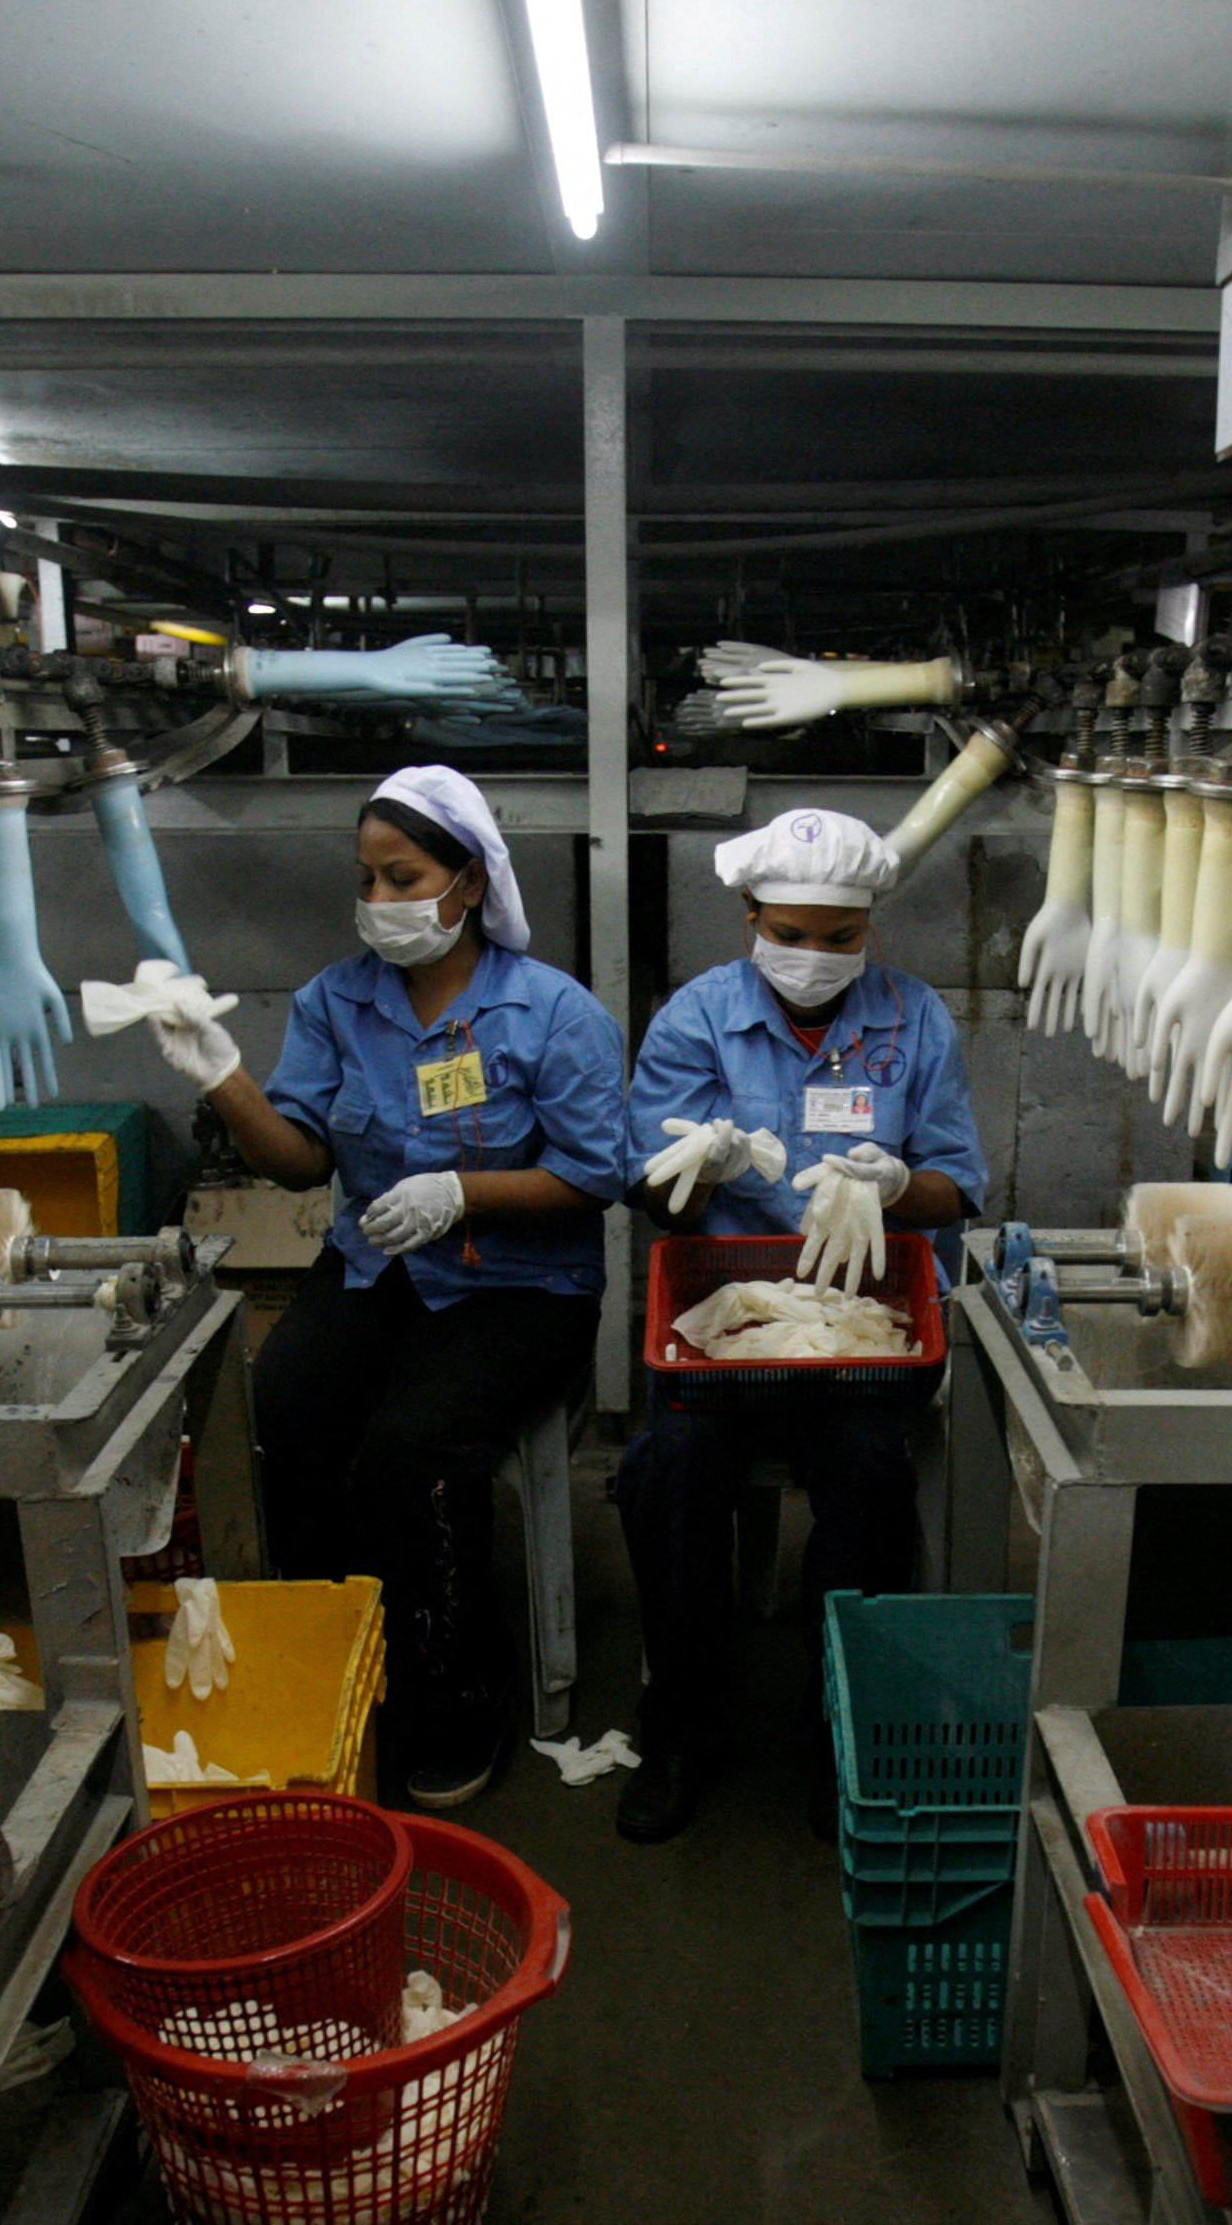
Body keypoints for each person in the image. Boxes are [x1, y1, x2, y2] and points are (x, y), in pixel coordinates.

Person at [119, 767, 627, 1806]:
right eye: (369, 879)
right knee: (284, 1416)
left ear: (468, 883)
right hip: (379, 1262)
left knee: (411, 1451)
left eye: (406, 877)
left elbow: (595, 1174)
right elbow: (301, 1162)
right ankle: (344, 1659)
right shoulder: (335, 1001)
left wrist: (462, 1192)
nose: (383, 901)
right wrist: (221, 1076)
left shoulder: (548, 1012)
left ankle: (451, 1693)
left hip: (522, 1282)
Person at [618, 806, 986, 1843]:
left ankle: (837, 1728)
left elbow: (959, 1188)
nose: (812, 958)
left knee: (870, 1479)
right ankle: (684, 1722)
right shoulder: (695, 1019)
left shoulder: (913, 1022)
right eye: (788, 933)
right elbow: (658, 1198)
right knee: (667, 1471)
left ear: (868, 929)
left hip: (862, 1327)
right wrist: (705, 1168)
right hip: (726, 1324)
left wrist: (896, 1181)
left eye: (838, 939)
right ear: (747, 917)